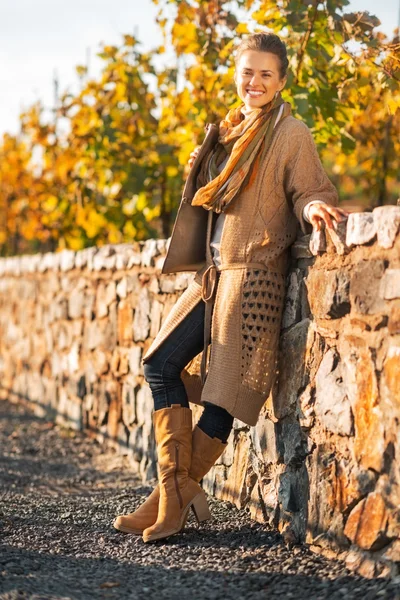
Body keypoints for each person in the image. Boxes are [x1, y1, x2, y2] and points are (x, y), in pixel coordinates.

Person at [114, 32, 349, 543]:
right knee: (159, 363)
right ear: (236, 75)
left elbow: (309, 187)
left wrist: (312, 208)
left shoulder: (291, 134)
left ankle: (167, 503)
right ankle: (175, 495)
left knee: (222, 400)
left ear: (282, 80)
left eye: (266, 73)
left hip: (253, 281)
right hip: (213, 277)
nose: (255, 81)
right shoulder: (230, 131)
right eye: (248, 71)